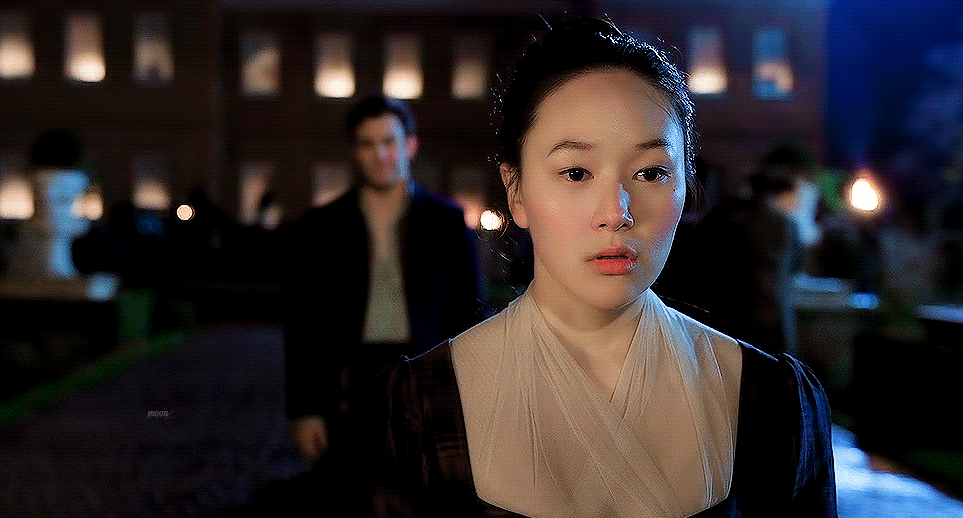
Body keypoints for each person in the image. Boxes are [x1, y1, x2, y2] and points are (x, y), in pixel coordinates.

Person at [379, 18, 836, 517]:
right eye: (576, 173)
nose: (617, 212)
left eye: (651, 172)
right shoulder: (420, 406)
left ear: (685, 186)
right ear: (516, 191)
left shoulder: (773, 400)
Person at [280, 94, 483, 502]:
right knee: (350, 496)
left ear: (410, 145)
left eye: (389, 142)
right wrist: (304, 409)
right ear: (354, 150)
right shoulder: (322, 226)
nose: (380, 155)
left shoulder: (446, 222)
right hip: (351, 380)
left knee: (428, 498)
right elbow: (303, 324)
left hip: (425, 374)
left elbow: (470, 314)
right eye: (367, 144)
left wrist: (475, 400)